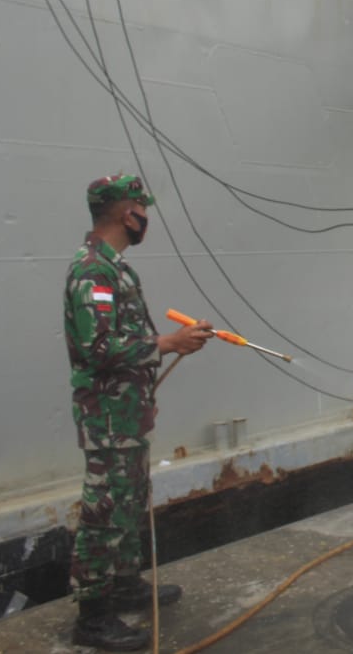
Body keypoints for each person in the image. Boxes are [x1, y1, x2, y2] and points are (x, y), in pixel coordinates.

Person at [65, 175, 213, 651]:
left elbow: (127, 339)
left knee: (128, 499)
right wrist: (168, 343)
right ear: (126, 212)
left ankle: (125, 584)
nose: (144, 216)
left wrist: (176, 343)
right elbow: (96, 347)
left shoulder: (118, 270)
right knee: (103, 508)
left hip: (128, 412)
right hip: (108, 414)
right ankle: (92, 616)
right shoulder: (93, 272)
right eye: (140, 207)